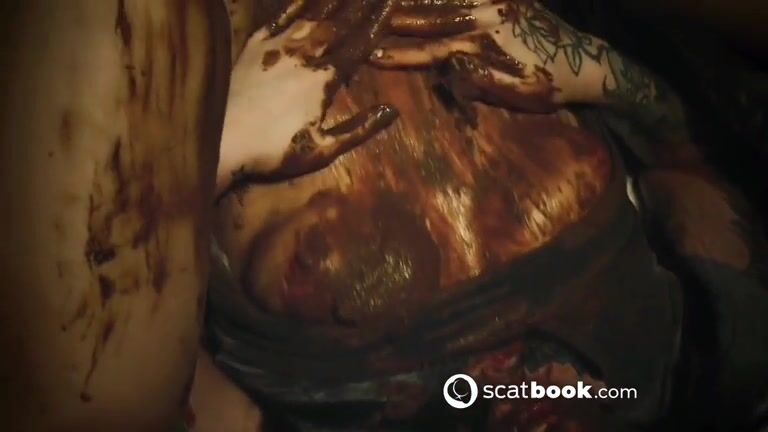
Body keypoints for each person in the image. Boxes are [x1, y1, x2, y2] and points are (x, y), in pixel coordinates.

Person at [1, 1, 766, 431]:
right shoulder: (694, 353)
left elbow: (83, 395)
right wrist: (593, 69)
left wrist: (218, 148)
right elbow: (693, 153)